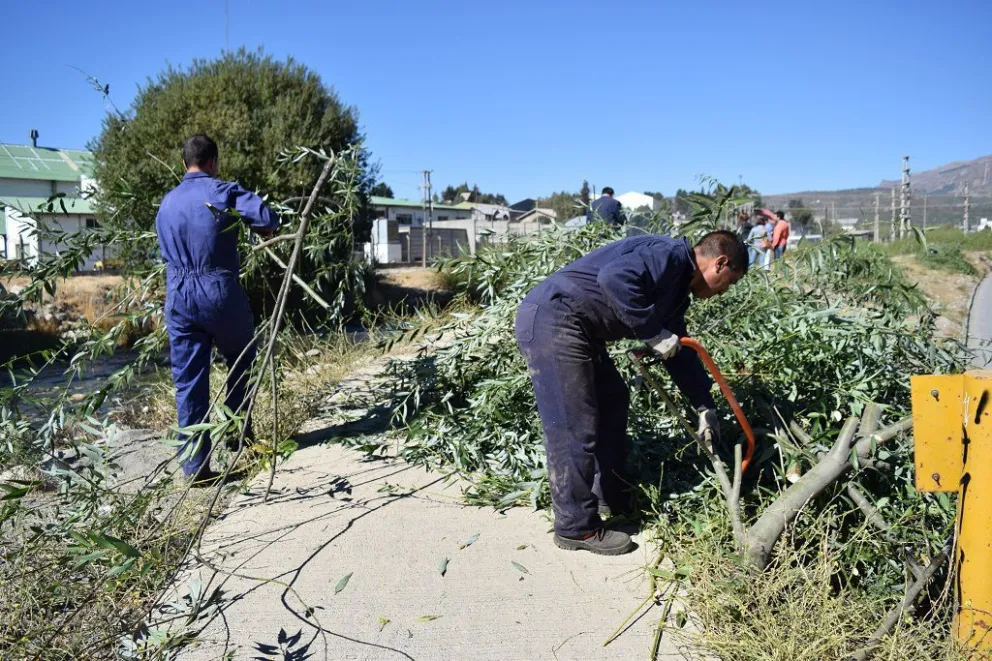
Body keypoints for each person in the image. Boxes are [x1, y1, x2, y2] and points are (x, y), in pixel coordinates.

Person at [514, 231, 748, 555]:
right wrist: (653, 332)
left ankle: (610, 497)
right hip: (555, 321)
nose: (723, 293)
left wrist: (703, 406)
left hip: (579, 329)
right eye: (730, 283)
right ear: (720, 264)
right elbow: (615, 279)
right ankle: (575, 527)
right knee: (574, 423)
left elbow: (678, 350)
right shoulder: (668, 256)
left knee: (613, 399)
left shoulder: (677, 287)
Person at [156, 134, 280, 483]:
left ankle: (195, 467)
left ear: (185, 163)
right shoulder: (222, 191)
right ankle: (237, 435)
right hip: (218, 290)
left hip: (178, 295)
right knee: (242, 359)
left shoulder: (166, 202)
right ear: (213, 161)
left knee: (189, 381)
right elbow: (266, 217)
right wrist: (267, 229)